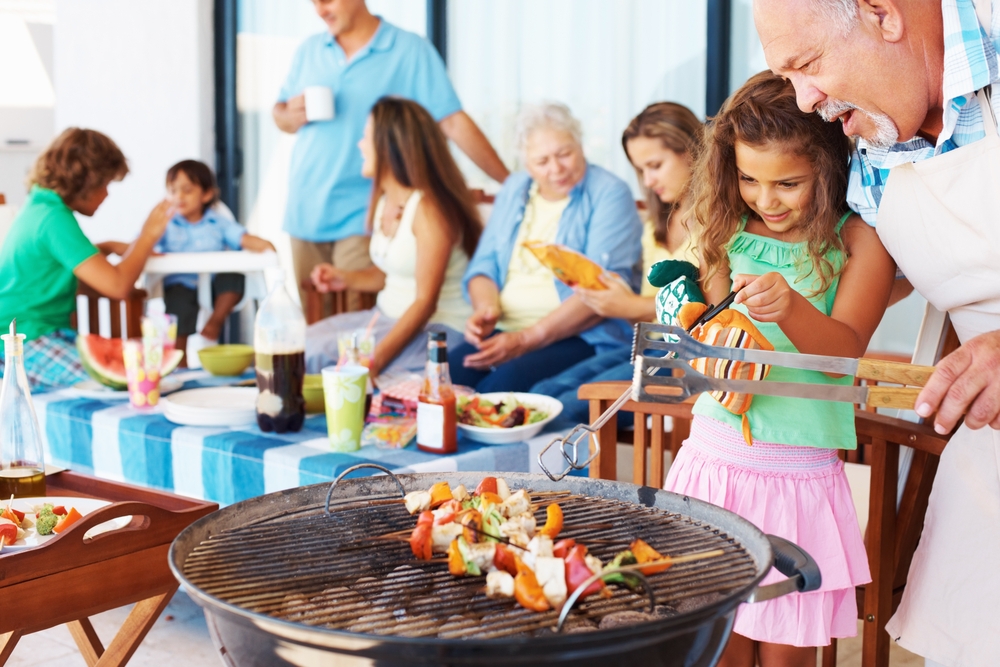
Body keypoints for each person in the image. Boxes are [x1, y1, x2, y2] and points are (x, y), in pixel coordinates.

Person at [754, 1, 1000, 664]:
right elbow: (850, 310)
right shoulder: (869, 152)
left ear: (882, 14)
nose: (806, 101)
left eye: (808, 66)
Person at [664, 72, 895, 667]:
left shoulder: (858, 240)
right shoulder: (726, 229)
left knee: (786, 646)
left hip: (795, 475)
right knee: (720, 642)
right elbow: (712, 331)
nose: (765, 200)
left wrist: (790, 306)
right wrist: (696, 329)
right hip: (714, 460)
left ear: (829, 167)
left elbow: (845, 352)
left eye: (788, 183)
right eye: (748, 179)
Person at [274, 0, 508, 311]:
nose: (320, 10)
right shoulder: (309, 50)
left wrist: (511, 181)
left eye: (327, 0)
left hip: (364, 214)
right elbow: (280, 113)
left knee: (355, 336)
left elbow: (451, 121)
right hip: (305, 210)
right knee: (316, 328)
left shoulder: (409, 50)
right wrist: (289, 115)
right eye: (313, 1)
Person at [448, 102, 643, 392]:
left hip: (581, 336)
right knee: (445, 376)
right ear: (526, 164)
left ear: (580, 144)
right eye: (542, 162)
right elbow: (484, 266)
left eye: (565, 153)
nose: (556, 169)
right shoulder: (515, 188)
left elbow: (602, 286)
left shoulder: (609, 193)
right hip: (506, 329)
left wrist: (526, 339)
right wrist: (486, 309)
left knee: (499, 390)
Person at [530, 102, 703, 424]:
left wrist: (628, 305)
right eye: (641, 170)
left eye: (655, 165)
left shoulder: (716, 221)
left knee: (564, 408)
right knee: (543, 392)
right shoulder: (661, 221)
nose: (648, 181)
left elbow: (704, 308)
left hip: (690, 356)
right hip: (654, 344)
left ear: (692, 152)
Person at [305, 97, 480, 378]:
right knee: (303, 343)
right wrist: (345, 277)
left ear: (389, 147)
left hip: (434, 330)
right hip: (386, 316)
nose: (360, 145)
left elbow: (425, 302)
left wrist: (372, 364)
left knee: (313, 356)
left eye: (366, 137)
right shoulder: (386, 200)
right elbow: (392, 275)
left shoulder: (429, 209)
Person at [0, 128, 172, 391]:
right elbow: (117, 285)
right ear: (85, 180)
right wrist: (148, 236)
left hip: (43, 335)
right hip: (24, 341)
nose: (107, 194)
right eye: (104, 184)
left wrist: (110, 246)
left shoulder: (40, 207)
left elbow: (60, 262)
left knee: (132, 373)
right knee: (119, 382)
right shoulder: (53, 219)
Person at [155, 160, 275, 352]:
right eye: (172, 190)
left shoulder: (218, 222)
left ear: (207, 194)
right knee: (178, 306)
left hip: (215, 286)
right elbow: (141, 245)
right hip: (180, 283)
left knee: (234, 277)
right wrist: (113, 246)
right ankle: (179, 360)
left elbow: (241, 237)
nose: (178, 196)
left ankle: (216, 321)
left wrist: (266, 247)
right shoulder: (164, 224)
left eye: (187, 190)